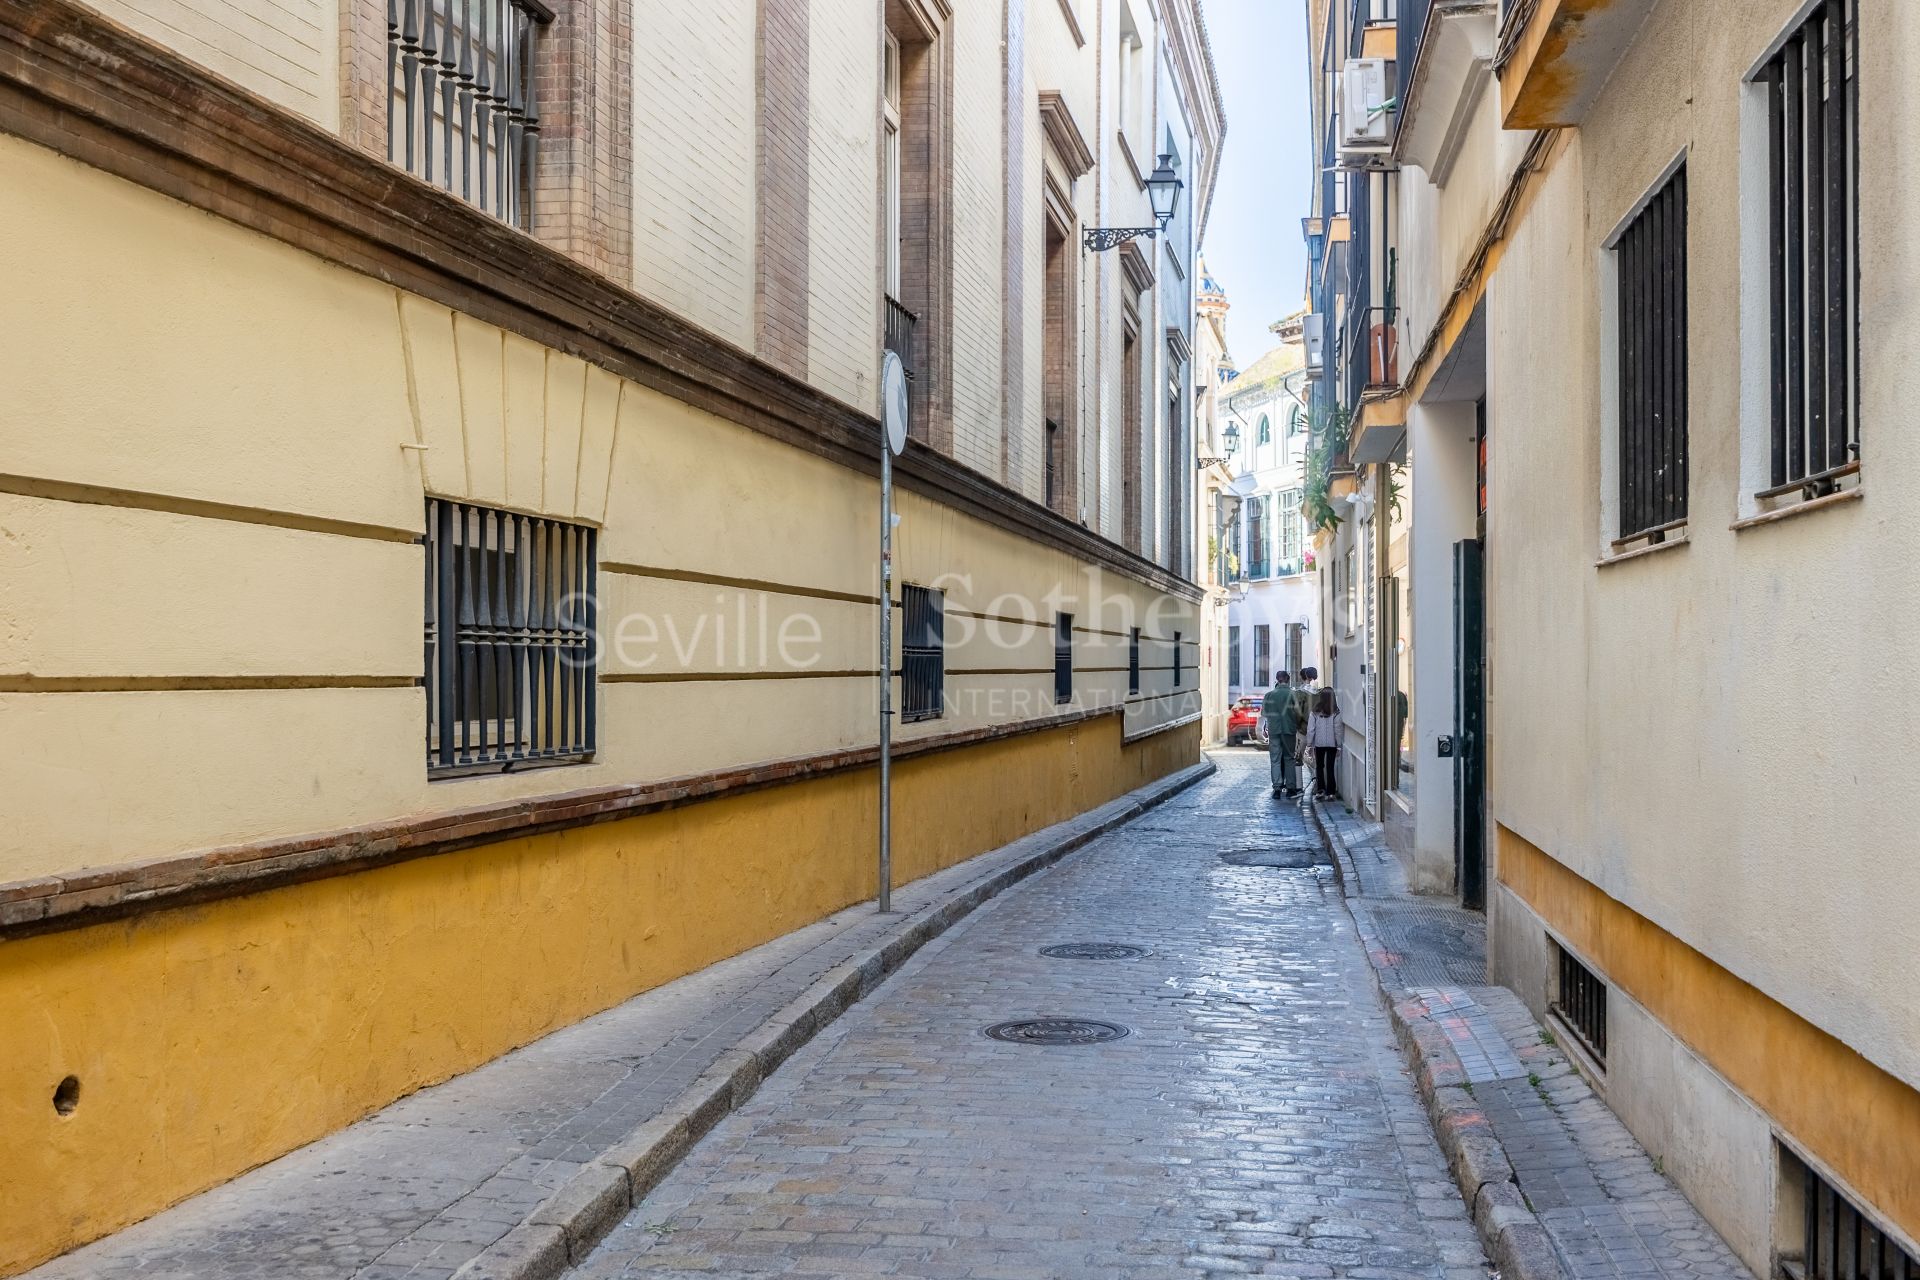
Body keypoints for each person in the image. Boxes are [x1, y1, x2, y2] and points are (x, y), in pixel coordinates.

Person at [1261, 670, 1305, 798]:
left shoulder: (1269, 695)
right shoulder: (1292, 694)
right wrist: (1297, 724)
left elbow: (1264, 713)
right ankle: (1290, 788)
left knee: (1275, 759)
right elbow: (1299, 713)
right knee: (1289, 758)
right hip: (1289, 730)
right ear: (1288, 679)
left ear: (1277, 679)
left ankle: (1277, 789)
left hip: (1274, 730)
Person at [1305, 687, 1342, 799]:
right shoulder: (1336, 711)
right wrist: (1339, 745)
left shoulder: (1315, 711)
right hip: (1332, 744)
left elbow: (1311, 729)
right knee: (1330, 767)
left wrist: (1309, 744)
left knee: (1319, 767)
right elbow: (1338, 730)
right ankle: (1331, 792)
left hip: (1318, 743)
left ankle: (1320, 790)